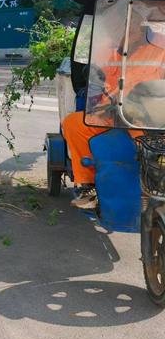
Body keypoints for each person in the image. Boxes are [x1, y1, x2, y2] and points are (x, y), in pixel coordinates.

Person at [62, 22, 165, 209]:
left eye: (131, 26)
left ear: (142, 28)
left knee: (151, 151)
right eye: (120, 27)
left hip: (146, 117)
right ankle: (89, 185)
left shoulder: (159, 51)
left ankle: (154, 184)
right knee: (73, 123)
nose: (125, 32)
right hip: (111, 112)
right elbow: (96, 81)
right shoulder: (107, 52)